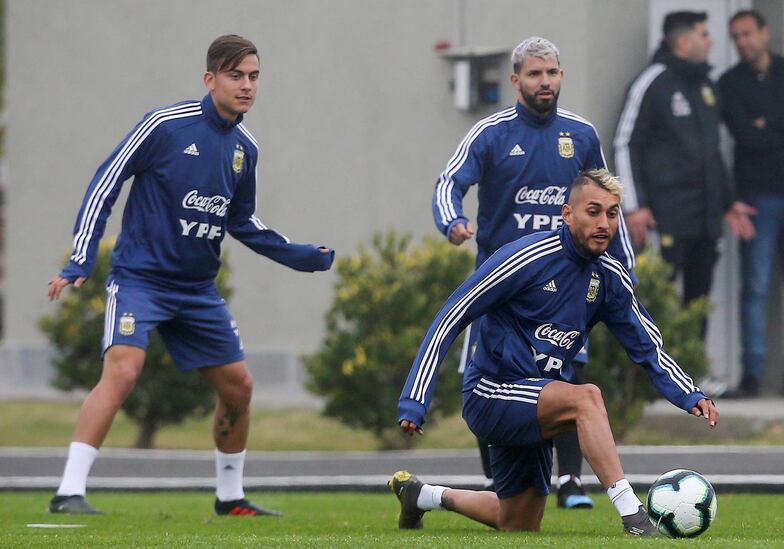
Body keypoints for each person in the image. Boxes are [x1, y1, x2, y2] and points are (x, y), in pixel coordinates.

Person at [46, 35, 334, 515]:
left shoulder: (245, 149)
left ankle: (230, 497)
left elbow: (243, 221)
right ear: (210, 79)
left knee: (239, 388)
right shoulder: (165, 126)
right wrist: (81, 258)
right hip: (140, 280)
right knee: (123, 372)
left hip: (197, 290)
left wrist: (299, 255)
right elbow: (106, 180)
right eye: (236, 75)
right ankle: (68, 491)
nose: (246, 86)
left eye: (254, 76)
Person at [391, 169, 718, 535]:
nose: (604, 223)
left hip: (539, 400)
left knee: (517, 522)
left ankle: (423, 495)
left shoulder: (610, 276)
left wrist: (688, 393)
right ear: (567, 214)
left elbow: (647, 346)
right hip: (491, 392)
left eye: (612, 214)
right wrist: (415, 400)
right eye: (593, 211)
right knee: (587, 397)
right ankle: (634, 517)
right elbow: (451, 316)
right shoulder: (525, 257)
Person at [433, 36, 635, 508]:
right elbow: (450, 181)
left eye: (552, 73)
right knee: (488, 378)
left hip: (568, 281)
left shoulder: (581, 135)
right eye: (534, 74)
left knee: (567, 372)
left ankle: (569, 481)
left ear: (561, 76)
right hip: (503, 291)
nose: (545, 82)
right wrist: (453, 221)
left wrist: (624, 269)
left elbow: (609, 202)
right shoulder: (491, 133)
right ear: (515, 80)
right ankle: (497, 481)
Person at [613, 11, 754, 338]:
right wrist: (634, 207)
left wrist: (727, 201)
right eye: (704, 35)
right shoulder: (653, 81)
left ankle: (691, 380)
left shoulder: (706, 85)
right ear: (682, 41)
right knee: (655, 299)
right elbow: (624, 143)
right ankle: (650, 379)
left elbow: (712, 152)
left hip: (704, 218)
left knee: (698, 302)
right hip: (664, 217)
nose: (711, 41)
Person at [718, 10, 784, 398]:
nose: (743, 42)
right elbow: (745, 137)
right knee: (756, 288)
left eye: (749, 34)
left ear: (765, 33)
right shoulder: (729, 84)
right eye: (736, 37)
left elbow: (761, 131)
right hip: (757, 201)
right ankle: (752, 375)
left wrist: (768, 123)